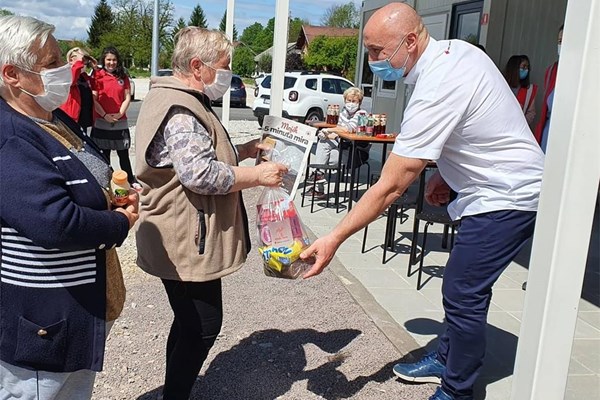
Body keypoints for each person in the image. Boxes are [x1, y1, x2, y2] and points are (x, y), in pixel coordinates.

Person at [299, 3, 544, 400]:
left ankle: (457, 389)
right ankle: (448, 356)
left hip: (508, 193)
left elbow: (391, 186)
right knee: (460, 286)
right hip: (490, 186)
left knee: (463, 291)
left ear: (410, 41)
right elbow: (476, 128)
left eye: (378, 51)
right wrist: (447, 175)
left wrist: (334, 238)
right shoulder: (455, 55)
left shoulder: (439, 81)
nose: (373, 60)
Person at [134, 27, 288, 400]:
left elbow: (194, 154)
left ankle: (176, 391)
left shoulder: (176, 97)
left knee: (189, 323)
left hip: (184, 232)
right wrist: (257, 176)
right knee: (203, 325)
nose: (228, 73)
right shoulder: (182, 109)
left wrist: (244, 149)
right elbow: (199, 173)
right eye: (224, 66)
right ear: (197, 66)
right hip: (186, 237)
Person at [0, 15, 139, 399]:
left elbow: (86, 177)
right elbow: (54, 223)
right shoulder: (11, 137)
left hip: (78, 310)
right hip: (43, 322)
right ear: (12, 74)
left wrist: (113, 195)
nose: (65, 69)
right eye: (51, 62)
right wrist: (119, 222)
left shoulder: (54, 117)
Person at [305, 87, 368, 199]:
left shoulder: (362, 114)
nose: (351, 103)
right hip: (341, 147)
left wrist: (329, 130)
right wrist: (327, 135)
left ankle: (319, 184)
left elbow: (348, 129)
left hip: (353, 152)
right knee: (323, 142)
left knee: (325, 156)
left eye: (354, 101)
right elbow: (339, 133)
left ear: (359, 102)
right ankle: (319, 177)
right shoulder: (344, 112)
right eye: (349, 100)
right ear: (345, 100)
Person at [90, 46, 135, 183]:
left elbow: (127, 97)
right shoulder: (97, 75)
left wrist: (120, 113)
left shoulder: (123, 76)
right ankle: (106, 181)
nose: (111, 63)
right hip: (102, 120)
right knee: (105, 155)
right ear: (104, 60)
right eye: (108, 59)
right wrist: (105, 116)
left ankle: (130, 180)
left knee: (123, 154)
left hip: (119, 121)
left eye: (114, 60)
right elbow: (94, 99)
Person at [535, 24, 563, 153]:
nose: (561, 45)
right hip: (548, 132)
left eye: (565, 41)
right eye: (559, 41)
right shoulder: (552, 70)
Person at [60, 47, 96, 131]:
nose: (84, 63)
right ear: (71, 59)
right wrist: (79, 62)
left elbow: (98, 84)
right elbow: (72, 80)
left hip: (84, 117)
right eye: (83, 59)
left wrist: (95, 68)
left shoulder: (84, 76)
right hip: (71, 119)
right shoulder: (66, 74)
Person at [504, 54, 538, 125]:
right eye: (523, 67)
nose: (526, 70)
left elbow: (531, 113)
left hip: (518, 129)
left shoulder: (530, 90)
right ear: (514, 68)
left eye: (527, 67)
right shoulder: (501, 84)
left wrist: (521, 123)